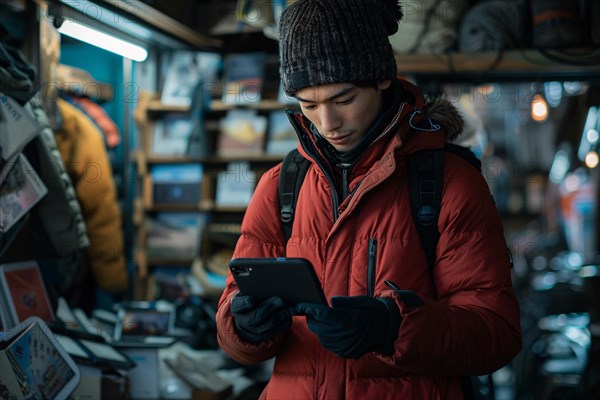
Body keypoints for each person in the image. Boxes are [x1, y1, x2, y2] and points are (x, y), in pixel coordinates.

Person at [215, 0, 522, 399]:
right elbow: (230, 326)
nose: (328, 124)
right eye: (309, 106)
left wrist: (392, 326)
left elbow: (495, 331)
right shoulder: (280, 185)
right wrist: (244, 327)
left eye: (343, 100)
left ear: (380, 78)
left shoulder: (448, 182)